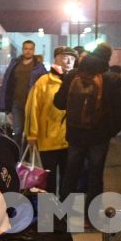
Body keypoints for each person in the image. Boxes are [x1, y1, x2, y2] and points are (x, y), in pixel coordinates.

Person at [54, 45, 121, 206]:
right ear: (107, 58)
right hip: (99, 136)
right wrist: (111, 131)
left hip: (75, 134)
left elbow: (58, 103)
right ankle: (91, 216)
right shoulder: (111, 78)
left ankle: (65, 214)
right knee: (96, 175)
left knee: (70, 173)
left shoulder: (73, 75)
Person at [23, 46, 76, 196]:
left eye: (72, 59)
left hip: (70, 139)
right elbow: (32, 108)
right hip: (48, 140)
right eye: (65, 57)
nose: (69, 61)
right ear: (56, 59)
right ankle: (49, 215)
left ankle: (65, 216)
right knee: (48, 181)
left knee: (68, 180)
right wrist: (32, 134)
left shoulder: (76, 81)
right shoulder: (44, 82)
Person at [0, 39, 46, 141]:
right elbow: (6, 82)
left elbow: (45, 84)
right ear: (22, 49)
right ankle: (18, 154)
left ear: (34, 50)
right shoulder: (14, 64)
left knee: (30, 131)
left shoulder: (39, 66)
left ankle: (29, 155)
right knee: (17, 130)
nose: (28, 51)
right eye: (26, 49)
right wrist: (4, 104)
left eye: (30, 49)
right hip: (16, 102)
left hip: (32, 103)